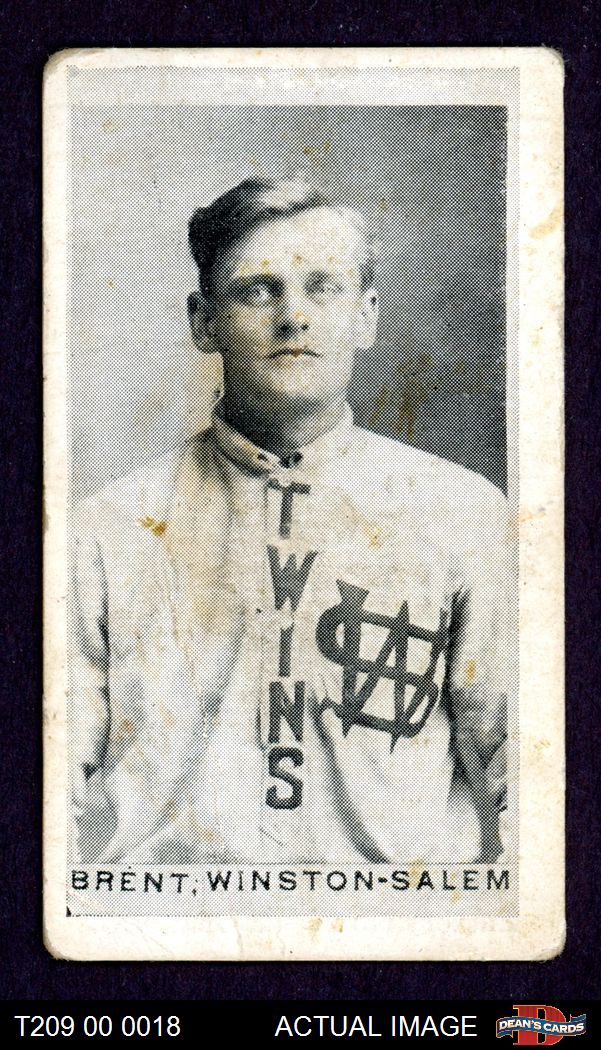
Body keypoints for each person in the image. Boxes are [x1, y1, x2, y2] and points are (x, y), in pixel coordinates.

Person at [71, 176, 508, 866]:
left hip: (396, 919)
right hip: (175, 921)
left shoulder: (463, 512)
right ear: (204, 322)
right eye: (257, 290)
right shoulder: (109, 527)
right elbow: (41, 775)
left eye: (322, 287)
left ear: (365, 316)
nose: (292, 317)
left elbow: (534, 762)